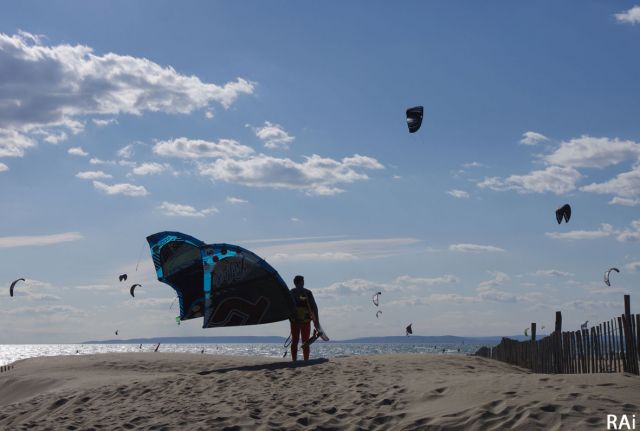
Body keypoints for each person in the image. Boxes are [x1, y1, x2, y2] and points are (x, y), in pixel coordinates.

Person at [289, 275, 320, 361]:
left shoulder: (291, 292)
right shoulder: (307, 292)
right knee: (306, 341)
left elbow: (288, 307)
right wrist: (316, 321)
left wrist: (290, 318)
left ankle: (294, 360)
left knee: (294, 341)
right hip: (305, 320)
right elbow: (314, 307)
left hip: (295, 320)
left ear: (294, 283)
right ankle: (306, 360)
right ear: (302, 282)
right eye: (303, 281)